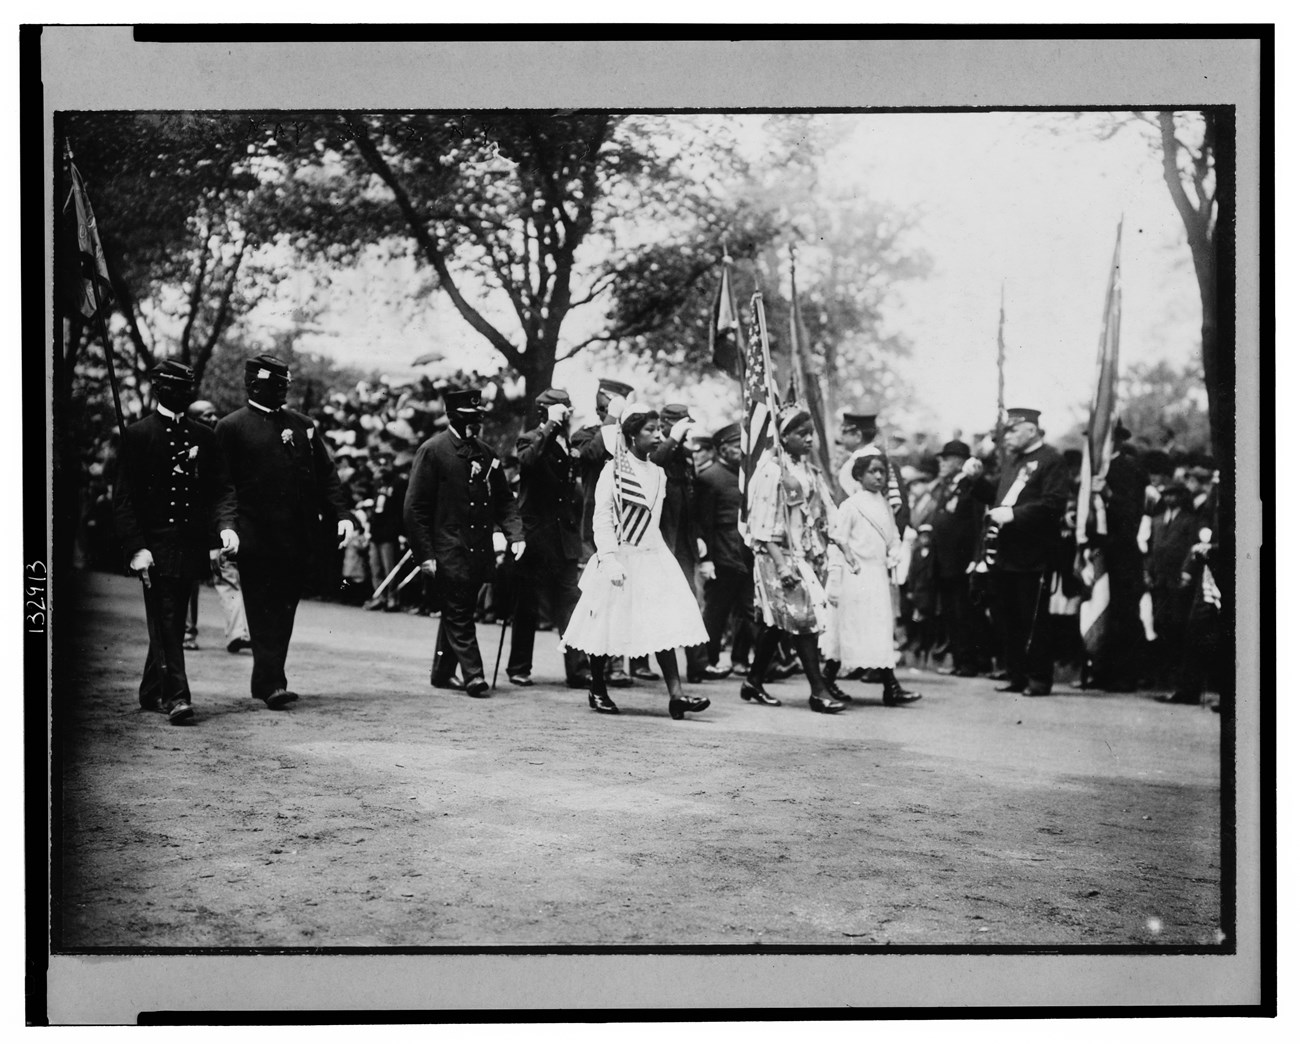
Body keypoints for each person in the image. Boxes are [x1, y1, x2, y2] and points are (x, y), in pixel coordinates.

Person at [215, 354, 355, 710]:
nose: (281, 392)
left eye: (284, 385)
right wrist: (227, 527)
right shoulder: (231, 427)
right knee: (262, 608)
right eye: (273, 385)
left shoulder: (303, 424)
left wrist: (341, 513)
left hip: (296, 536)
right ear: (253, 385)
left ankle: (268, 677)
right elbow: (222, 485)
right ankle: (271, 682)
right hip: (256, 536)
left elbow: (326, 474)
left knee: (285, 609)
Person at [560, 403, 711, 720]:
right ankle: (598, 689)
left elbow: (655, 520)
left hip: (651, 553)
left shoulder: (658, 472)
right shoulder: (612, 471)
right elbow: (601, 520)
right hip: (619, 553)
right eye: (650, 431)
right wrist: (609, 558)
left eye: (660, 430)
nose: (658, 436)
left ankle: (676, 695)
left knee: (662, 622)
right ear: (630, 435)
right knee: (605, 622)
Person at [114, 361, 238, 724]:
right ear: (159, 389)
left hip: (192, 544)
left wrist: (225, 527)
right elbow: (124, 498)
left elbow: (221, 488)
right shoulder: (137, 435)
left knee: (170, 615)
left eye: (187, 387)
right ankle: (177, 696)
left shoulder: (204, 435)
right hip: (154, 546)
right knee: (169, 615)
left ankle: (152, 688)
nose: (182, 393)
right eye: (174, 387)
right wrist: (136, 547)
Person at [404, 387, 525, 699]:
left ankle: (442, 674)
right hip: (448, 551)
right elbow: (414, 508)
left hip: (478, 550)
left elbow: (504, 501)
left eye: (478, 417)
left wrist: (516, 535)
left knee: (459, 609)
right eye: (468, 417)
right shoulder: (433, 451)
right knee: (459, 610)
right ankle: (474, 675)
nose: (475, 423)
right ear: (452, 416)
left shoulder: (487, 455)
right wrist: (425, 554)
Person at [740, 403, 850, 714]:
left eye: (811, 433)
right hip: (777, 556)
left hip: (801, 554)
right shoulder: (773, 471)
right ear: (783, 436)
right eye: (802, 434)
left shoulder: (807, 470)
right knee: (803, 619)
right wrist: (782, 564)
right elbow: (761, 527)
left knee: (778, 623)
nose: (809, 439)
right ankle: (818, 691)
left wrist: (837, 546)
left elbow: (822, 514)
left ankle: (753, 680)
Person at [967, 407, 1071, 696]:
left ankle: (1038, 677)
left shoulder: (1052, 460)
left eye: (1013, 430)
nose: (1008, 437)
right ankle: (1017, 674)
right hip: (1006, 551)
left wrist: (1014, 515)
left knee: (1033, 617)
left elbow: (1053, 504)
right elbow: (997, 499)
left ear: (1031, 430)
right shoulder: (1013, 461)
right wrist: (977, 481)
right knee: (1007, 617)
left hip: (1034, 552)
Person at [821, 454, 921, 705]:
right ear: (858, 475)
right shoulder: (851, 506)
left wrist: (896, 553)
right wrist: (834, 579)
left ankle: (889, 686)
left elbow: (893, 538)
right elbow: (838, 541)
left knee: (878, 629)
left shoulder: (885, 505)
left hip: (877, 575)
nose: (878, 477)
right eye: (872, 472)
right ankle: (829, 679)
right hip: (855, 575)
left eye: (882, 472)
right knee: (851, 627)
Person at [506, 387, 589, 688]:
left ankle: (578, 670)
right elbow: (528, 462)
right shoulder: (530, 438)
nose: (566, 417)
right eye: (562, 412)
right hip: (537, 536)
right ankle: (519, 667)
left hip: (563, 537)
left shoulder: (568, 444)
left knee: (569, 602)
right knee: (527, 604)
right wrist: (550, 426)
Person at [569, 378, 635, 689]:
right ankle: (589, 666)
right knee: (595, 598)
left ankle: (618, 664)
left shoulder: (633, 435)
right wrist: (611, 422)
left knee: (623, 595)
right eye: (610, 403)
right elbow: (593, 454)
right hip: (595, 528)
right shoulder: (585, 435)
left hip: (629, 527)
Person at [182, 399, 253, 654]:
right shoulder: (182, 444)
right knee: (188, 583)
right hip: (190, 528)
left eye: (214, 415)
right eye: (206, 415)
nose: (213, 419)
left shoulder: (221, 448)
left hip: (218, 526)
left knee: (228, 577)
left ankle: (237, 633)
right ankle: (187, 633)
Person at [648, 403, 711, 682]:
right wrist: (672, 437)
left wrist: (697, 534)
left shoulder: (685, 456)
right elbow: (653, 466)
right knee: (653, 603)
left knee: (689, 600)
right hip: (659, 540)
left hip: (683, 540)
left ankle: (698, 666)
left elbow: (692, 499)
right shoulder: (654, 450)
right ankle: (639, 664)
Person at [1083, 421, 1149, 691]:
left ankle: (1125, 675)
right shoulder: (1091, 470)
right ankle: (1100, 671)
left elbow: (1133, 514)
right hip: (1100, 551)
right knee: (1099, 609)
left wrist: (1109, 494)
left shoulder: (1129, 467)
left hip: (1122, 552)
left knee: (1123, 612)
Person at [694, 421, 756, 677]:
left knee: (749, 610)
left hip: (747, 554)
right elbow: (703, 523)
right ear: (721, 449)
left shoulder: (748, 476)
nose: (740, 451)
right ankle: (708, 660)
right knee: (717, 611)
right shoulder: (710, 478)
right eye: (734, 446)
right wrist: (706, 559)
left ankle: (741, 659)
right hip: (722, 555)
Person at [928, 439, 986, 676]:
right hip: (945, 559)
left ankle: (970, 661)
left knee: (965, 612)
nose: (941, 463)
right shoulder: (947, 485)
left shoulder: (970, 486)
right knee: (951, 612)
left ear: (960, 462)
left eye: (946, 458)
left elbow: (976, 522)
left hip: (962, 560)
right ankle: (960, 659)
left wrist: (975, 557)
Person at [1145, 481, 1200, 691]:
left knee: (1177, 624)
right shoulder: (1157, 520)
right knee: (1159, 622)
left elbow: (1191, 548)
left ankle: (1176, 676)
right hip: (1159, 578)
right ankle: (1162, 675)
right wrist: (1147, 571)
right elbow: (1151, 548)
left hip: (1177, 577)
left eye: (1174, 495)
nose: (1169, 499)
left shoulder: (1189, 520)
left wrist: (1187, 571)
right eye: (1166, 494)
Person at [835, 410, 909, 533]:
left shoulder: (867, 461)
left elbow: (896, 507)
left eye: (844, 432)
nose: (841, 437)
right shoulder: (861, 459)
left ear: (858, 436)